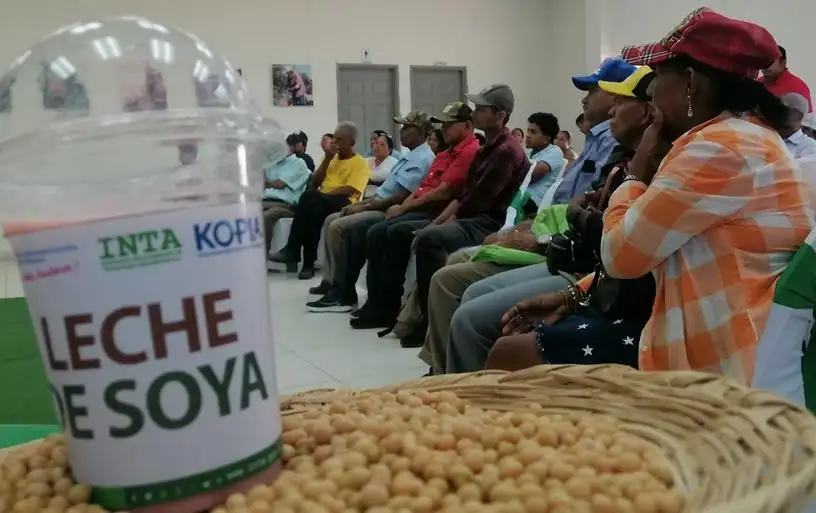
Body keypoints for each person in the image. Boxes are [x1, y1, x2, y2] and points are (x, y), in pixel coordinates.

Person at [603, 7, 814, 385]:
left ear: (690, 81)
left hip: (726, 372)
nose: (650, 91)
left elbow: (620, 256)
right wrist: (577, 292)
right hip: (733, 348)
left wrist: (637, 170)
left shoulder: (718, 148)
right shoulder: (742, 136)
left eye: (657, 75)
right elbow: (665, 249)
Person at [484, 65, 657, 373]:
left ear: (646, 111)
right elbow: (581, 209)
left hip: (593, 271)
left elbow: (615, 243)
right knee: (467, 280)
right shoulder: (617, 153)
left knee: (481, 318)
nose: (587, 101)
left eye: (599, 93)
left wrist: (553, 232)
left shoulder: (651, 160)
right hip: (589, 269)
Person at [364, 84, 529, 347]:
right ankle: (402, 312)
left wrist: (442, 223)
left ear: (500, 115)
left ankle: (429, 324)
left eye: (482, 109)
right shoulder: (486, 148)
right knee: (421, 233)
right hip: (472, 216)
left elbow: (477, 202)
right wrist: (439, 221)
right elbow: (463, 196)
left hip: (489, 222)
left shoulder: (507, 151)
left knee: (429, 239)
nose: (475, 113)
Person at [349, 101, 480, 330]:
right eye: (443, 124)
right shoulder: (444, 154)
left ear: (468, 126)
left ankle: (389, 307)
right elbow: (422, 188)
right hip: (422, 206)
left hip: (438, 211)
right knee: (378, 232)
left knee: (392, 231)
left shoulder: (468, 151)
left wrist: (403, 208)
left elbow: (443, 192)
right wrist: (403, 207)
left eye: (450, 124)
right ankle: (377, 304)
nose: (444, 129)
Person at [306, 111, 435, 311]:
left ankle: (342, 292)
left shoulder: (422, 158)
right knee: (332, 219)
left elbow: (399, 196)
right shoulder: (411, 156)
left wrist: (364, 206)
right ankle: (336, 286)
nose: (401, 131)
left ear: (420, 131)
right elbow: (386, 192)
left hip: (390, 210)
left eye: (407, 127)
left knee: (339, 225)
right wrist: (363, 203)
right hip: (380, 203)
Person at [269, 122, 370, 279]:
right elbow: (314, 183)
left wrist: (323, 195)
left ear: (351, 142)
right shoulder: (331, 159)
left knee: (309, 197)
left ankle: (293, 250)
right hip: (321, 201)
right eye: (334, 138)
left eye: (339, 139)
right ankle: (307, 265)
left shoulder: (360, 162)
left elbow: (350, 189)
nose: (335, 142)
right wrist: (327, 160)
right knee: (314, 212)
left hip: (345, 201)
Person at [550, 58, 632, 205]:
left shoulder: (613, 138)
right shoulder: (597, 137)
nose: (584, 100)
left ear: (616, 96)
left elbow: (590, 200)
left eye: (592, 91)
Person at [261, 148, 311, 256]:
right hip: (266, 201)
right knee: (248, 211)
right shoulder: (271, 164)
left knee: (266, 216)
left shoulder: (298, 163)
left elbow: (280, 184)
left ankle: (263, 255)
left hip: (287, 204)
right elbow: (260, 183)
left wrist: (268, 183)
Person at [523, 112, 566, 206]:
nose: (527, 135)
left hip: (532, 200)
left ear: (546, 138)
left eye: (533, 132)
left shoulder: (554, 151)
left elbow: (532, 176)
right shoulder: (528, 152)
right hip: (519, 195)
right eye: (528, 131)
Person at [761, 45, 813, 112]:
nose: (764, 68)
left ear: (783, 62)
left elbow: (805, 118)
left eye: (769, 62)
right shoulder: (758, 83)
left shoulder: (798, 88)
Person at [780, 93, 816, 158]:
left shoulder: (810, 146)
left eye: (788, 110)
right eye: (781, 109)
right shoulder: (769, 136)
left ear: (800, 115)